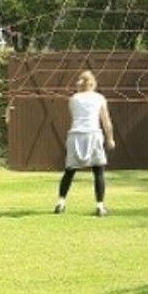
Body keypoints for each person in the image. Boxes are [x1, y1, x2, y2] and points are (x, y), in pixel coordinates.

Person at [54, 70, 116, 217]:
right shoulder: (99, 98)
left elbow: (75, 115)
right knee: (98, 171)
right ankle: (100, 206)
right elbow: (106, 121)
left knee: (69, 171)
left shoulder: (73, 98)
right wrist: (110, 138)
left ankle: (60, 202)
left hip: (76, 134)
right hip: (93, 134)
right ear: (93, 83)